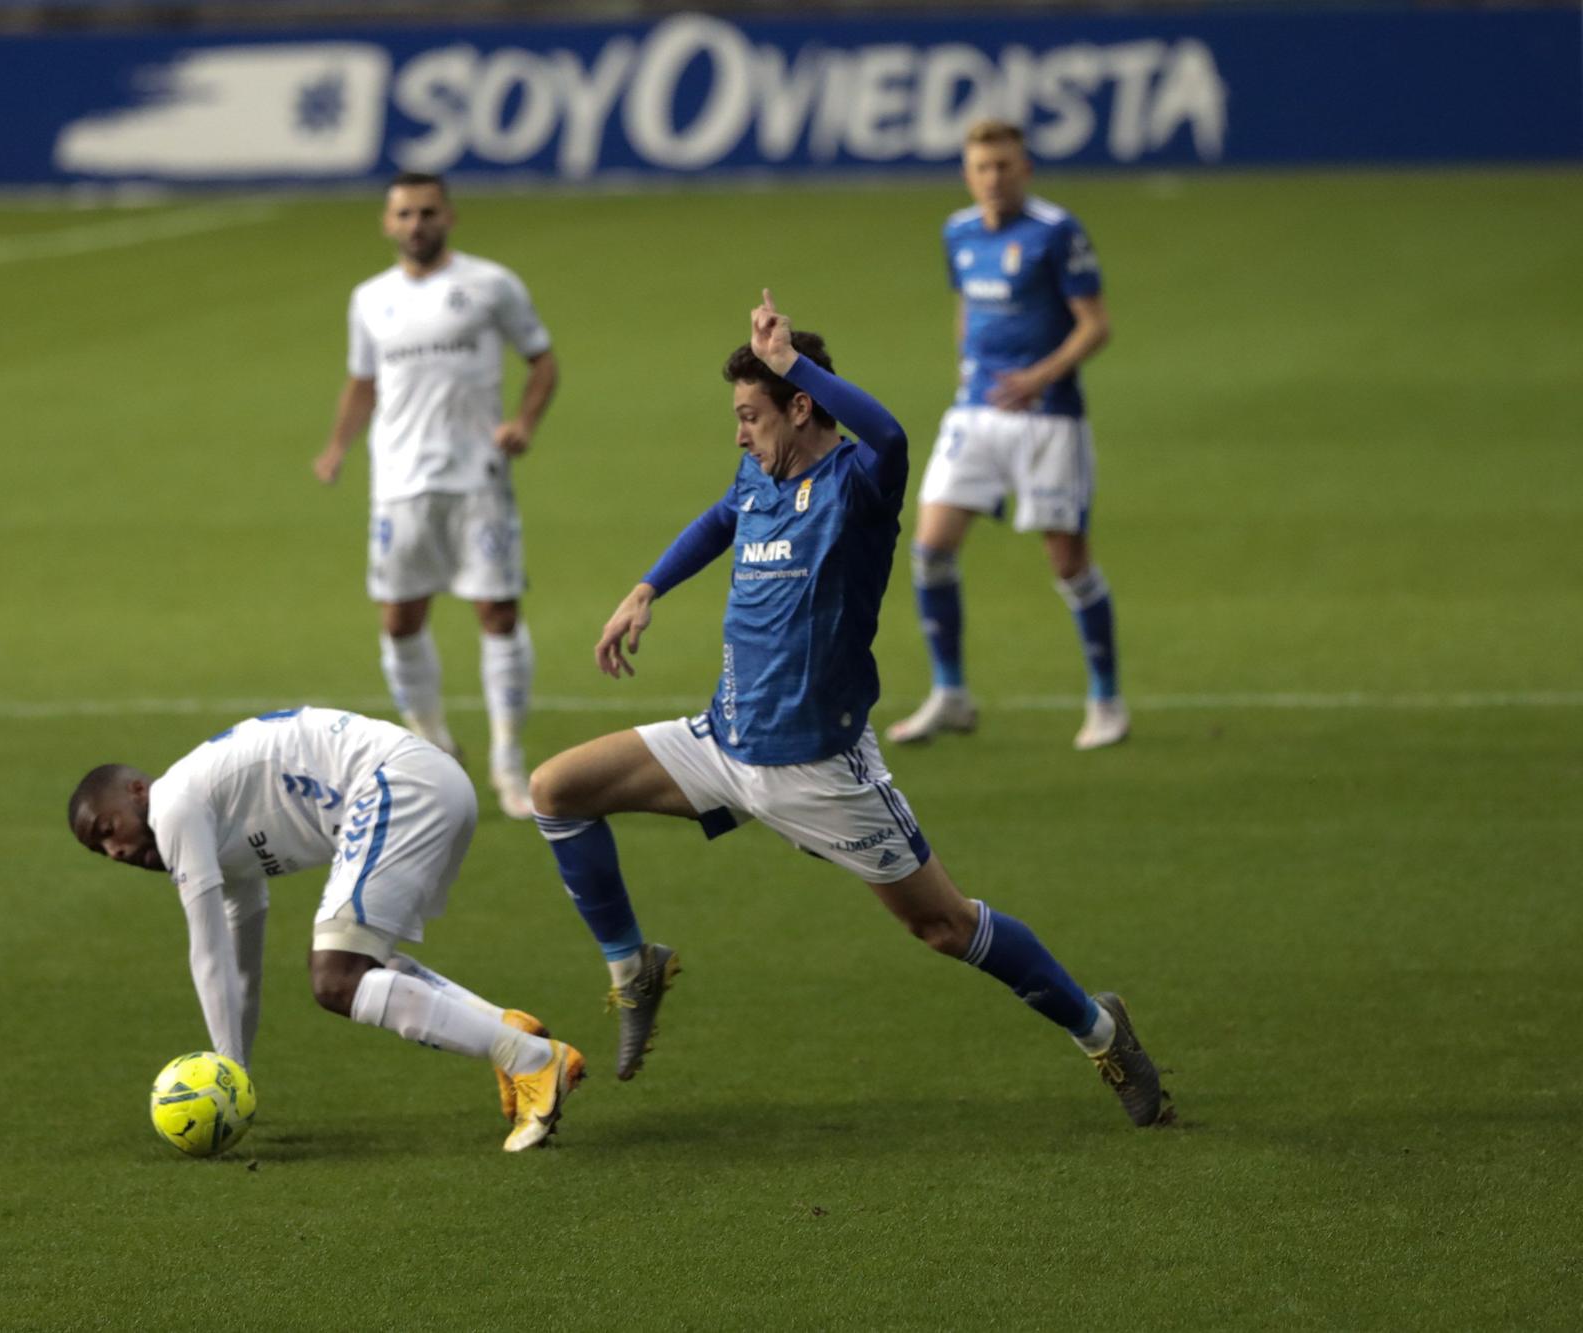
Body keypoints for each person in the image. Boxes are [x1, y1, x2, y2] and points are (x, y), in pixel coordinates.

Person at [526, 290, 1170, 1128]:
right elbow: (720, 519)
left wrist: (796, 363)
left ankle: (1101, 1030)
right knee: (555, 790)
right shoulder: (757, 477)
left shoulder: (860, 484)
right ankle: (633, 967)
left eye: (752, 414)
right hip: (721, 745)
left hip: (820, 771)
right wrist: (647, 588)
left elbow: (895, 434)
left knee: (945, 926)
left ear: (803, 405)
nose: (739, 433)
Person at [67, 706, 585, 1152]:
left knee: (335, 979)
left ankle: (534, 1059)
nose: (115, 851)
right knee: (363, 967)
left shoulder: (175, 804)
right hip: (425, 782)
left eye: (108, 830)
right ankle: (505, 1028)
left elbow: (207, 954)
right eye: (101, 852)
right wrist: (235, 1071)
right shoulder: (212, 825)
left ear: (137, 790)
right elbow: (238, 965)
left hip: (398, 784)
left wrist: (225, 1082)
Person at [313, 172, 559, 817]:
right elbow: (362, 380)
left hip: (478, 478)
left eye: (427, 212)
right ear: (387, 223)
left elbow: (542, 361)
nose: (416, 224)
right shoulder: (369, 299)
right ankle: (434, 747)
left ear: (448, 217)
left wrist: (523, 425)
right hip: (398, 484)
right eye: (404, 214)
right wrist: (338, 445)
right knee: (399, 619)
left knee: (498, 614)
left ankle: (508, 762)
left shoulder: (490, 285)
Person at [884, 119, 1128, 751]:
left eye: (1005, 166)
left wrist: (1038, 375)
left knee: (1067, 561)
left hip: (1047, 420)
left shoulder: (1056, 232)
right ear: (968, 174)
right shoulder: (958, 232)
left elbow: (1095, 325)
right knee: (931, 547)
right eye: (982, 167)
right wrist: (969, 364)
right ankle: (952, 693)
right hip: (975, 413)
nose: (993, 177)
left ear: (1026, 169)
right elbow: (966, 303)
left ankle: (1105, 699)